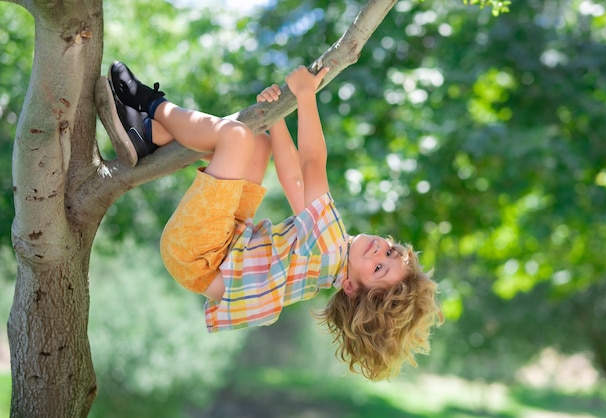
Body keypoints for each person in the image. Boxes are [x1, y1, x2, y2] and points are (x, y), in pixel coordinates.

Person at [96, 61, 442, 381]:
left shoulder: (330, 247)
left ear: (351, 288)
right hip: (220, 247)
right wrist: (276, 118)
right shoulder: (329, 261)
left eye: (378, 268)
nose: (380, 251)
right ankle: (148, 137)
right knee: (258, 145)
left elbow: (311, 164)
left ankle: (150, 104)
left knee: (235, 137)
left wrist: (306, 95)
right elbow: (294, 182)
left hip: (199, 253)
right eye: (392, 252)